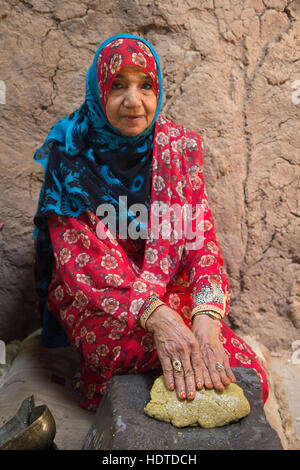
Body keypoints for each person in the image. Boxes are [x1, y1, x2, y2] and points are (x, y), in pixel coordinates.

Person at [33, 34, 269, 411]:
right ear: (99, 91)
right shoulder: (72, 155)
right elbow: (82, 263)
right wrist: (158, 319)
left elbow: (201, 242)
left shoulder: (176, 149)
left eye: (145, 85)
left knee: (240, 369)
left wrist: (206, 318)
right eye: (118, 86)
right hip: (98, 299)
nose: (134, 101)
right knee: (121, 355)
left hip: (167, 289)